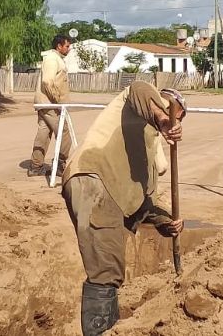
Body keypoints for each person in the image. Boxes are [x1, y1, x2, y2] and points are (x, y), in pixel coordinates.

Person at [62, 81, 185, 336]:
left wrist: (166, 221)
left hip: (105, 191)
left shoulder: (150, 151)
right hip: (94, 179)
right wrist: (162, 116)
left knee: (110, 269)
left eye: (176, 116)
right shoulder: (135, 102)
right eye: (171, 112)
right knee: (106, 271)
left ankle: (109, 328)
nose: (174, 121)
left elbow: (142, 202)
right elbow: (139, 90)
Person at [29, 34, 73, 177]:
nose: (69, 48)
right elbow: (47, 81)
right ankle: (60, 165)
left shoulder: (54, 59)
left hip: (46, 104)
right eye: (67, 46)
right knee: (65, 133)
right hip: (51, 104)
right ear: (59, 46)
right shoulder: (52, 59)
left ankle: (36, 167)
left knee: (44, 133)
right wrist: (57, 100)